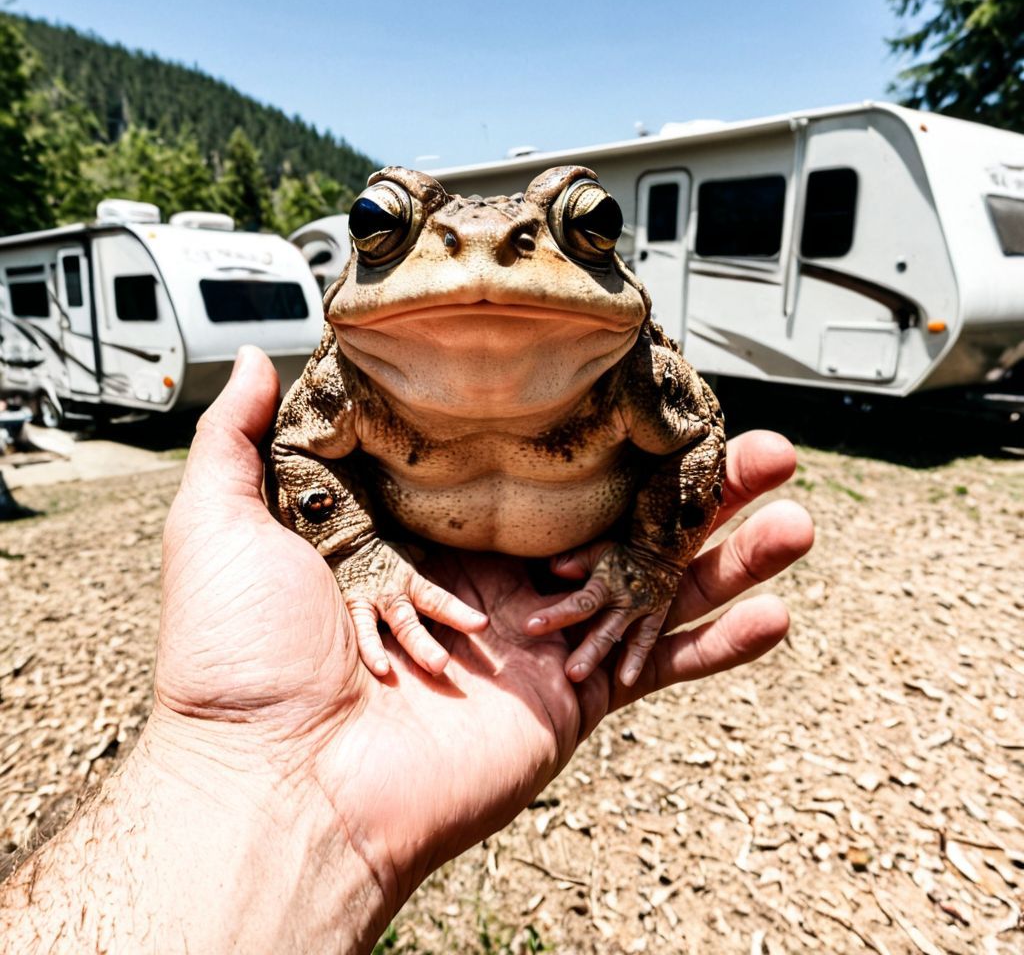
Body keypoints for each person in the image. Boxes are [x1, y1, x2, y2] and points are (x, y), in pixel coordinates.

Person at [0, 347, 813, 954]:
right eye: (383, 224)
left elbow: (700, 431)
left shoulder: (633, 370)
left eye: (587, 225)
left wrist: (653, 558)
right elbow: (298, 446)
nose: (485, 260)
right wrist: (351, 550)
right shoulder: (352, 375)